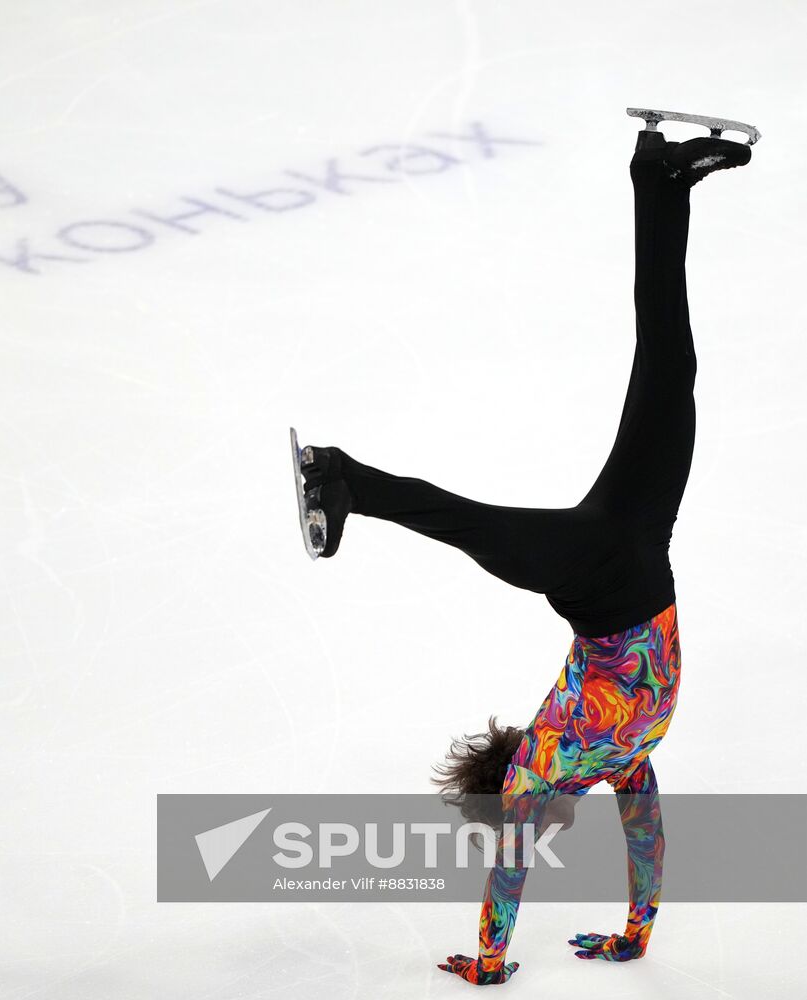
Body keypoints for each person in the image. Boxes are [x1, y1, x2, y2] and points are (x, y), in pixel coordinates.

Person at [295, 110, 755, 985]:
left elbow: (507, 867)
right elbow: (646, 837)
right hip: (636, 542)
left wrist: (488, 961)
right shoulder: (624, 762)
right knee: (670, 367)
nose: (531, 830)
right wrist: (635, 932)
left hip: (596, 576)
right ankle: (658, 183)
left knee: (473, 522)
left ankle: (338, 476)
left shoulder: (545, 762)